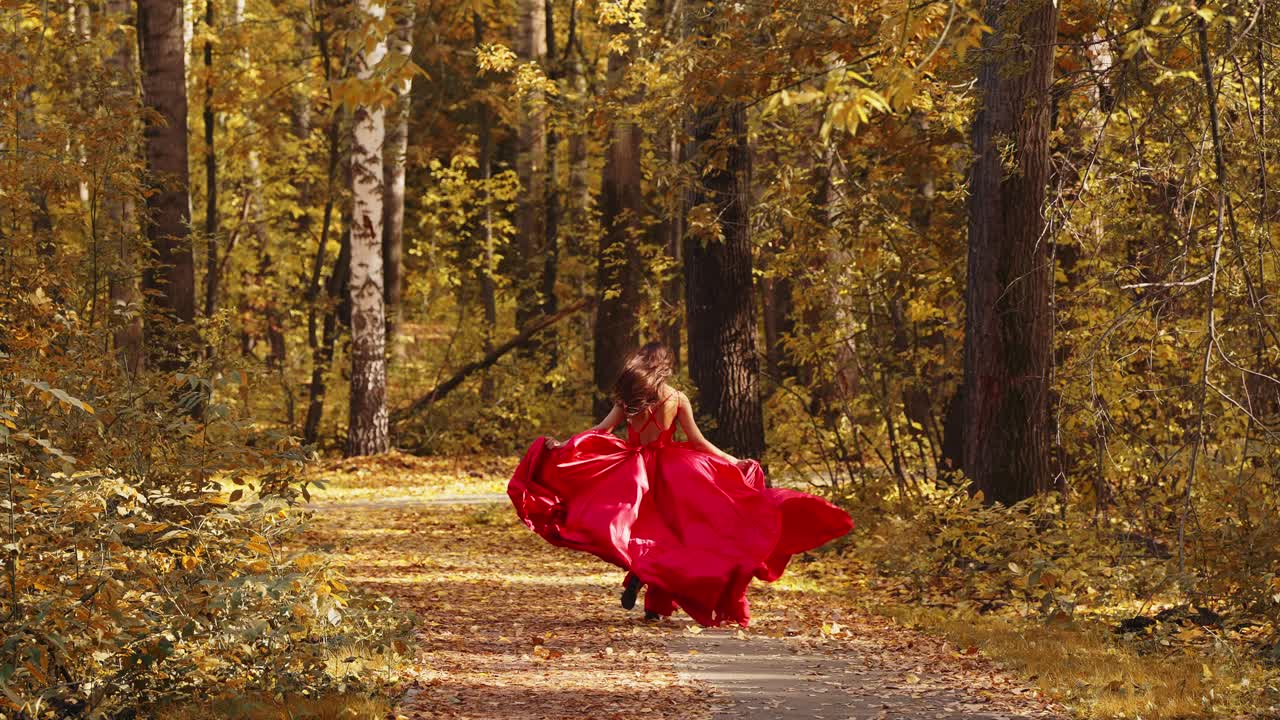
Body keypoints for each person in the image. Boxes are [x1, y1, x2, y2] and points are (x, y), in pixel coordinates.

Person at [507, 342, 852, 627]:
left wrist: (565, 447)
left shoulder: (628, 400)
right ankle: (650, 597)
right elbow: (699, 442)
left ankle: (640, 581)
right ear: (665, 368)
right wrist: (734, 462)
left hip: (632, 471)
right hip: (675, 470)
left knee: (636, 532)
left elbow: (600, 432)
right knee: (677, 536)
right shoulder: (677, 399)